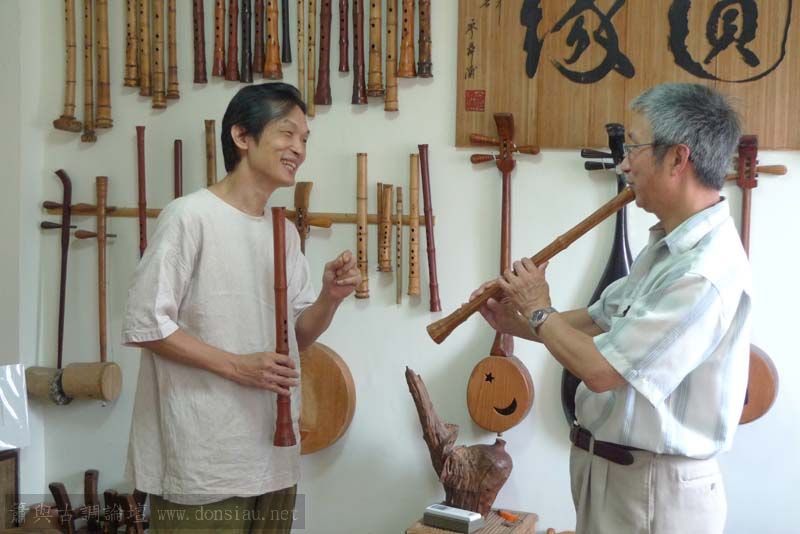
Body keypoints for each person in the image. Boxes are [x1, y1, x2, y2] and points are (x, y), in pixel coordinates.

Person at [472, 83, 750, 534]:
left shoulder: (703, 270)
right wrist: (516, 320)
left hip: (655, 493)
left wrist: (538, 309)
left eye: (634, 147)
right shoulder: (666, 247)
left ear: (677, 159)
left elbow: (603, 370)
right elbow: (596, 322)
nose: (624, 164)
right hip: (620, 480)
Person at [121, 82, 360, 533]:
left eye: (305, 138)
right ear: (242, 136)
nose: (299, 148)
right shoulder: (189, 216)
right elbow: (146, 323)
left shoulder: (283, 232)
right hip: (204, 459)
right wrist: (237, 366)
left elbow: (296, 335)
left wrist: (329, 298)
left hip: (274, 455)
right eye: (287, 133)